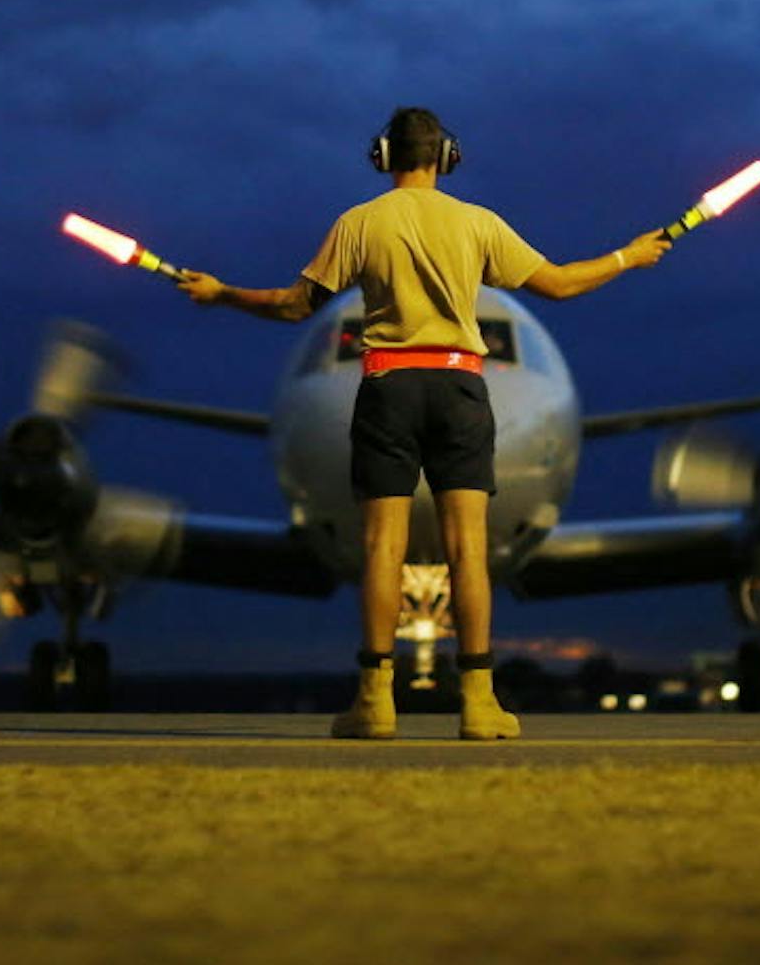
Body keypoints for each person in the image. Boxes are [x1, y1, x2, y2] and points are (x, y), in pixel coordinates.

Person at [178, 107, 669, 740]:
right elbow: (559, 284)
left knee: (383, 544)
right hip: (462, 384)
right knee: (469, 548)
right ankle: (480, 702)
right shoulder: (478, 224)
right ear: (447, 157)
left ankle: (375, 702)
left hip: (386, 383)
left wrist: (221, 293)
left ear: (383, 156)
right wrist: (628, 256)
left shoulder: (359, 223)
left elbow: (293, 305)